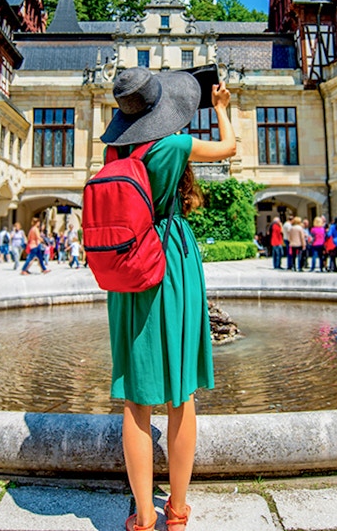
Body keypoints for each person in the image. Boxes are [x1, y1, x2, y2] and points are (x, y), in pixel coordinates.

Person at [99, 67, 237, 531]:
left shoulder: (114, 152)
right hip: (171, 259)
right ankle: (176, 512)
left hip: (127, 263)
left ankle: (142, 516)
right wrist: (220, 108)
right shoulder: (173, 147)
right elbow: (229, 148)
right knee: (181, 394)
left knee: (136, 400)